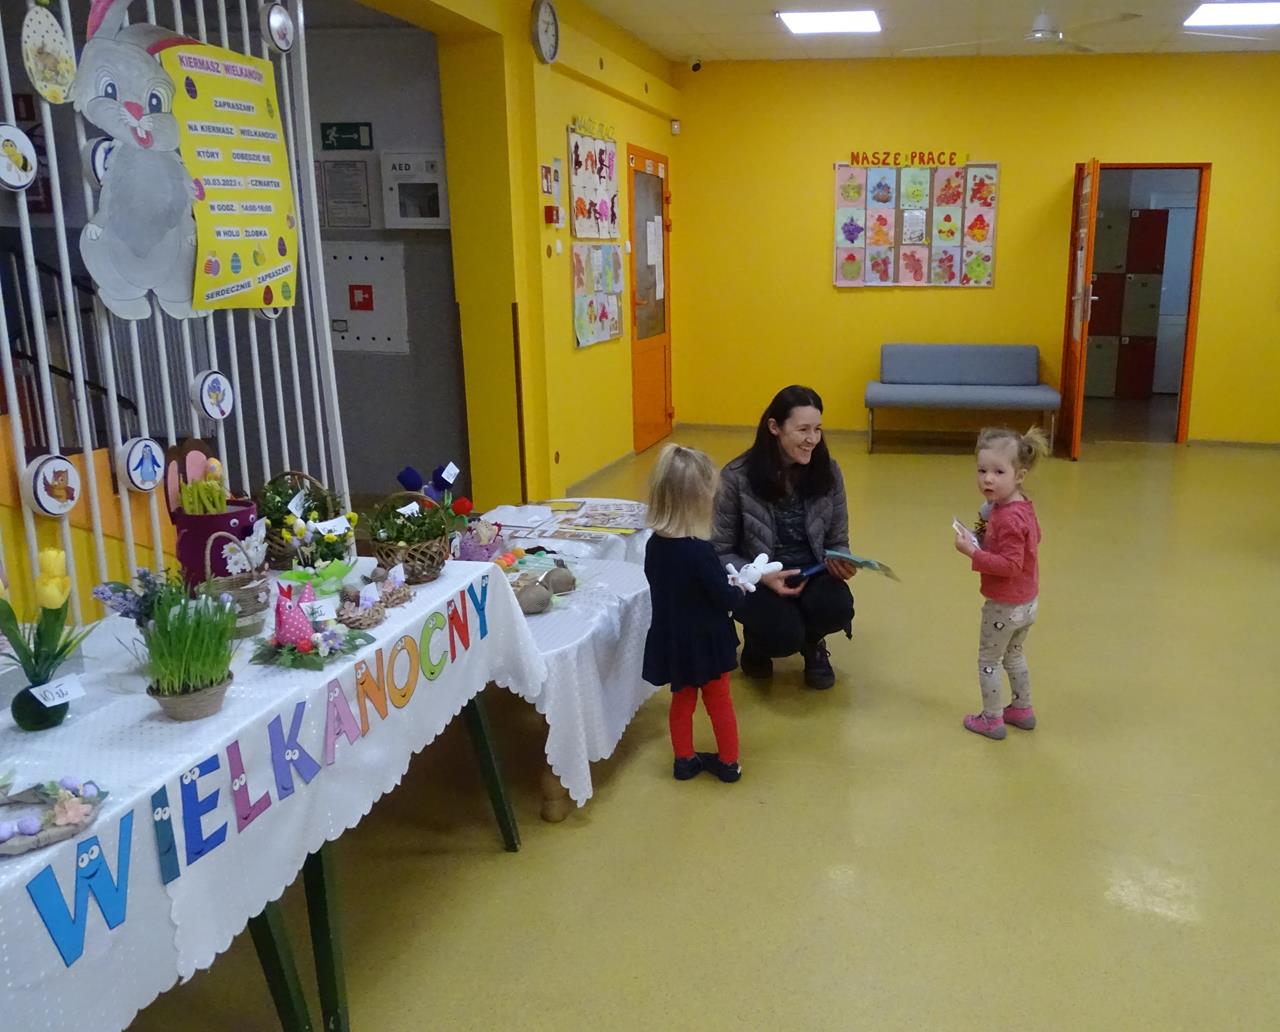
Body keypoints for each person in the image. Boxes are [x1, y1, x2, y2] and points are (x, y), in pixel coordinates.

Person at [712, 386, 856, 690]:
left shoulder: (828, 472)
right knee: (782, 636)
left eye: (817, 429)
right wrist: (761, 576)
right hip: (758, 578)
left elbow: (837, 538)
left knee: (838, 607)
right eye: (803, 430)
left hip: (812, 572)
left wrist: (840, 559)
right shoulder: (736, 477)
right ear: (774, 427)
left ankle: (813, 643)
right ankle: (758, 642)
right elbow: (719, 551)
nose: (812, 439)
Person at [642, 444, 746, 783]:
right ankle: (728, 762)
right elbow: (724, 597)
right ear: (698, 501)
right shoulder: (700, 552)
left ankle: (684, 760)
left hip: (674, 639)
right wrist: (740, 589)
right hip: (708, 641)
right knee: (719, 701)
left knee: (682, 701)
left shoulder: (654, 545)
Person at [952, 426, 1050, 740]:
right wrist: (983, 534)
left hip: (1004, 606)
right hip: (1027, 601)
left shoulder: (1007, 517)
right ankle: (1022, 708)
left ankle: (991, 719)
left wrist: (973, 552)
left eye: (998, 472)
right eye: (982, 471)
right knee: (1014, 654)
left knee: (989, 661)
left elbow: (1010, 565)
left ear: (1019, 475)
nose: (988, 479)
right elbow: (1035, 538)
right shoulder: (1021, 506)